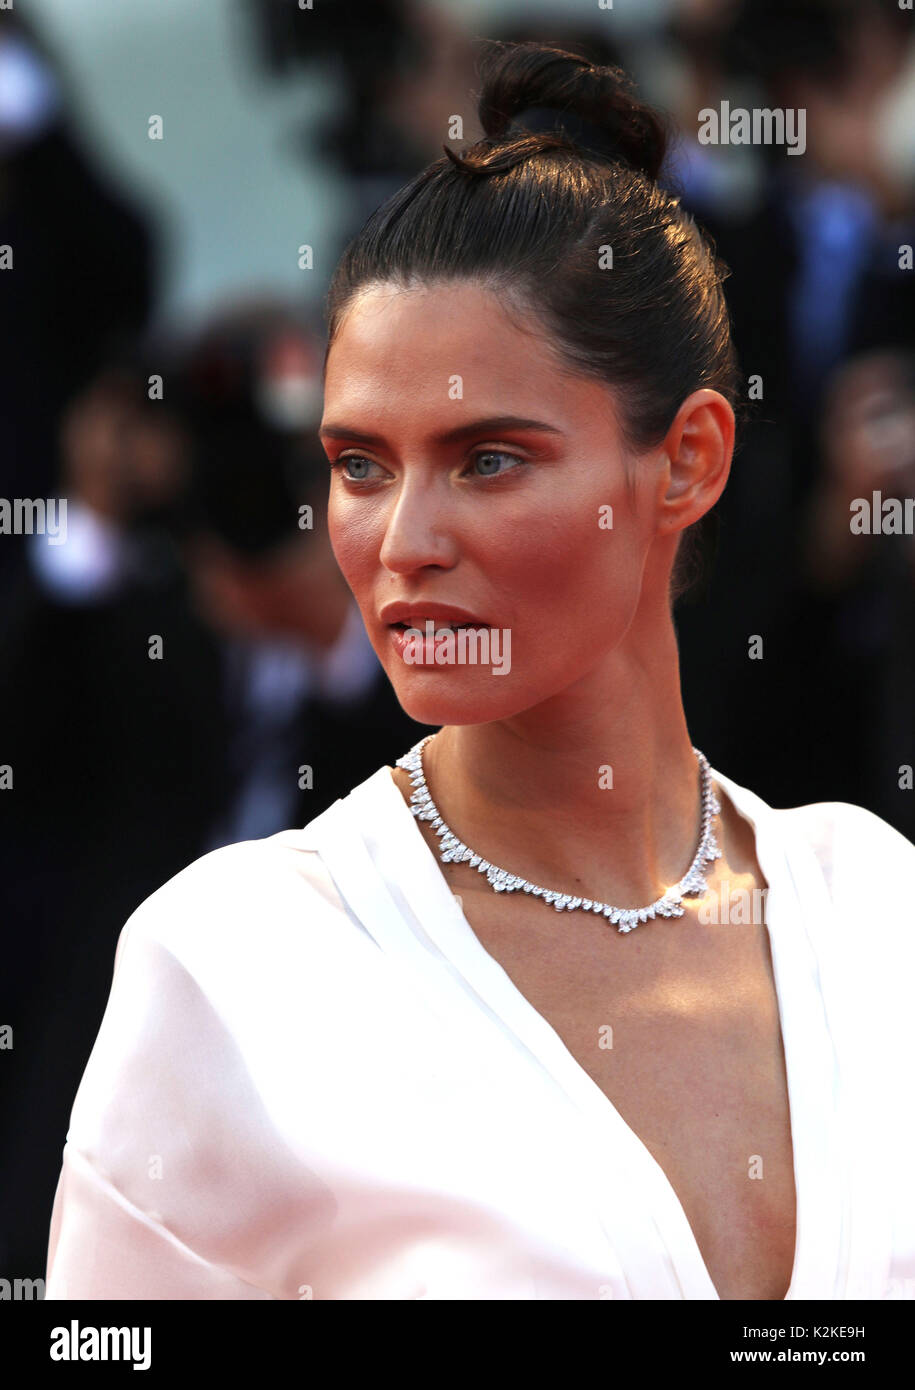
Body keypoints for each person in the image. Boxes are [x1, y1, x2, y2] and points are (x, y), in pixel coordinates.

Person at [43, 40, 915, 1302]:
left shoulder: (880, 915)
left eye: (489, 459)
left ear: (687, 463)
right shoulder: (236, 969)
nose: (403, 545)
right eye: (358, 467)